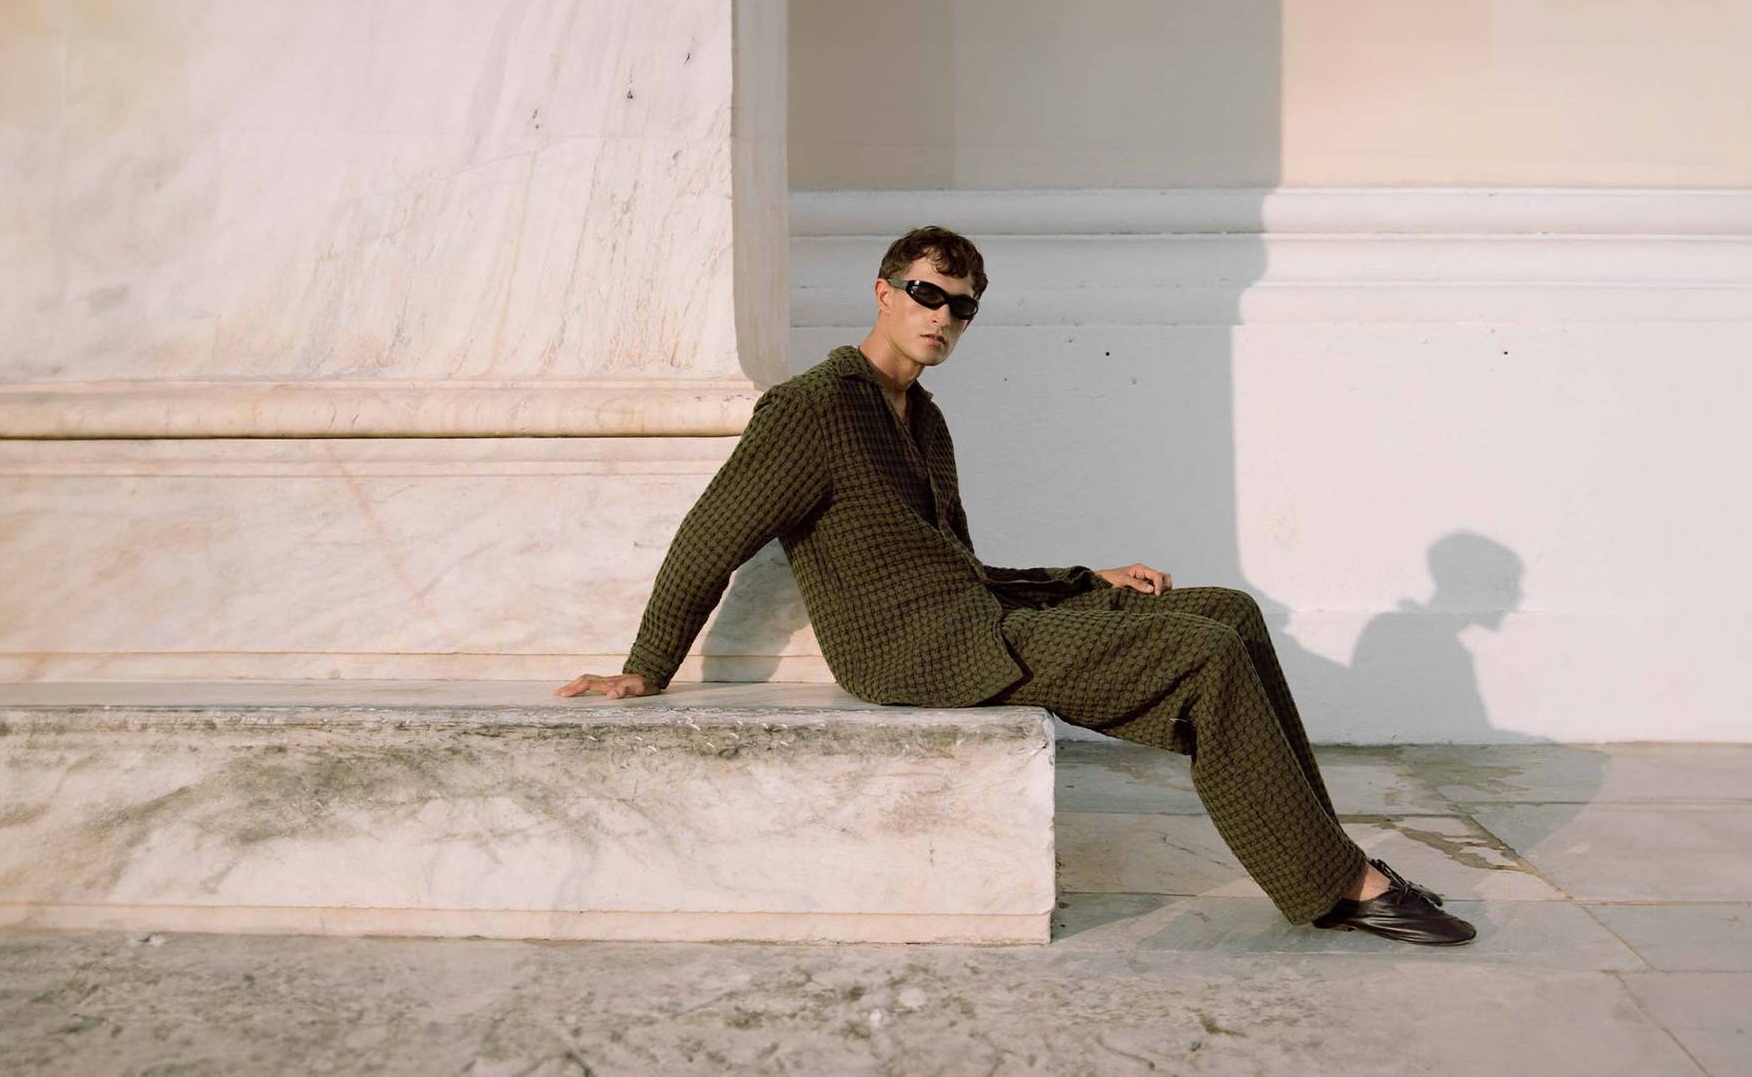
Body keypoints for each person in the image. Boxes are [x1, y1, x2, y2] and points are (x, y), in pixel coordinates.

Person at [557, 226, 1475, 945]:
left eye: (960, 308)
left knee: (1226, 611)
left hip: (974, 618)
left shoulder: (924, 418)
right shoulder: (813, 409)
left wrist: (1087, 579)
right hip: (913, 651)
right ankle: (1341, 888)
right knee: (1200, 657)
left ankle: (1331, 852)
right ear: (883, 293)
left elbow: (954, 564)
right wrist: (646, 667)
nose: (941, 318)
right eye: (925, 295)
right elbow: (707, 538)